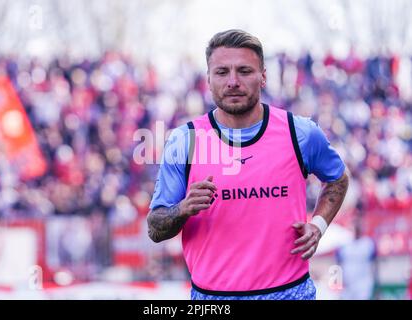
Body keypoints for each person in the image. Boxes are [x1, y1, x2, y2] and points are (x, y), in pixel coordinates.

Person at [147, 29, 349, 300]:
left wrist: (319, 225)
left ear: (263, 76)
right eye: (221, 72)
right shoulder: (186, 140)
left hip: (289, 293)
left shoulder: (298, 132)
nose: (232, 82)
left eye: (244, 71)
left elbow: (337, 178)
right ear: (208, 79)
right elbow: (155, 229)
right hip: (214, 299)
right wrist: (184, 208)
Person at [336, 215, 377, 300]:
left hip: (363, 284)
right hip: (347, 285)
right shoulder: (343, 244)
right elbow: (337, 264)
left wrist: (376, 283)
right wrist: (337, 283)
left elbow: (374, 264)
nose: (357, 228)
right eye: (355, 226)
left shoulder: (368, 243)